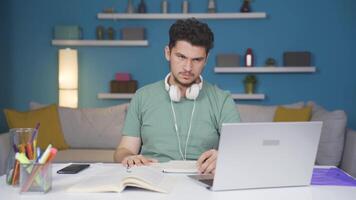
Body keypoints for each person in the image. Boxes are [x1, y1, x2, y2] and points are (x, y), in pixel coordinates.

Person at [114, 18, 240, 174]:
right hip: (151, 176)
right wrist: (128, 157)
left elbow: (239, 150)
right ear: (168, 53)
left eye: (197, 60)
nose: (188, 67)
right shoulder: (142, 96)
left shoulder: (222, 99)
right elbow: (124, 149)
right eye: (181, 57)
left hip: (202, 177)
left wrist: (223, 157)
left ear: (206, 60)